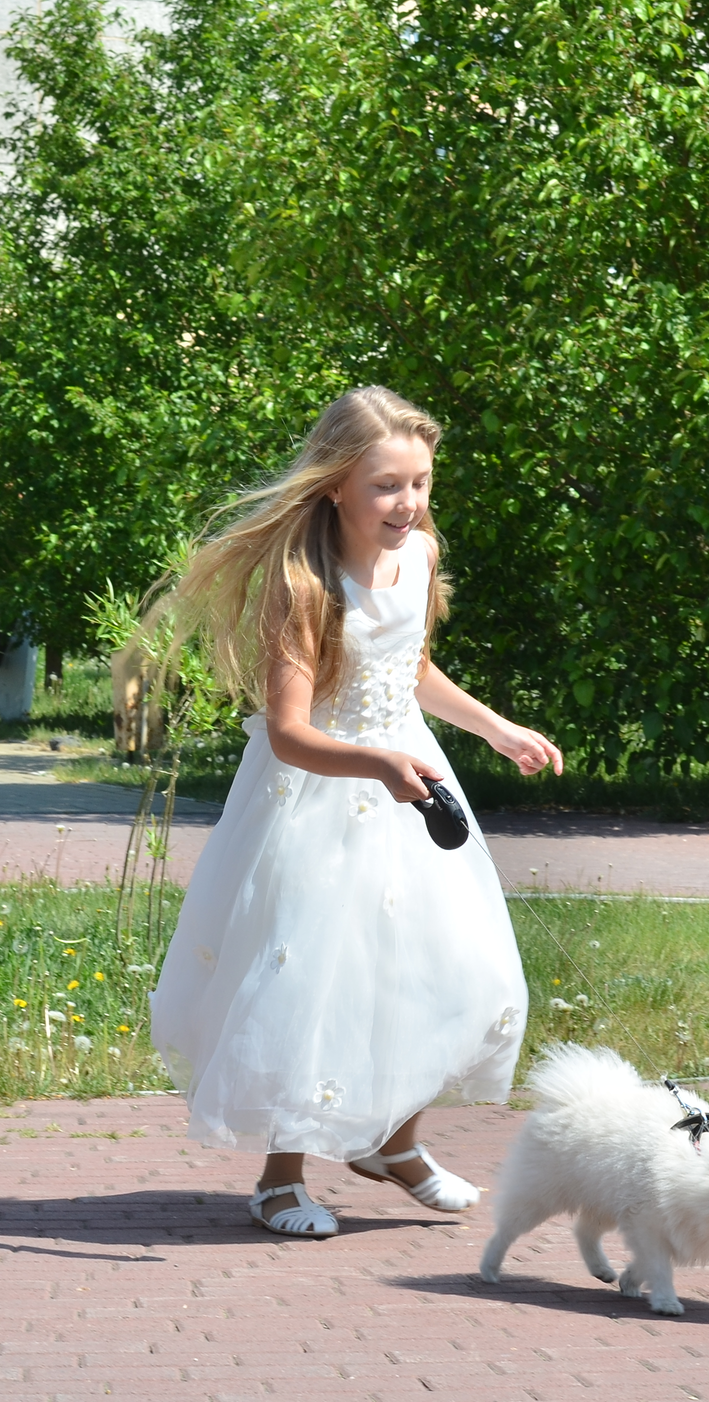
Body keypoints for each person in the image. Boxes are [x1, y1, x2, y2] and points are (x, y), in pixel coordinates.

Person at [149, 387, 564, 1237]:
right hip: (321, 797)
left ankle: (393, 1144)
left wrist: (493, 727)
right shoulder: (306, 587)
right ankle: (280, 1179)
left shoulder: (417, 555)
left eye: (420, 483)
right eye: (386, 486)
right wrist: (375, 763)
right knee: (316, 979)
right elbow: (292, 733)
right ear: (336, 485)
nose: (407, 504)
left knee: (438, 965)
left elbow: (406, 667)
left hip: (407, 775)